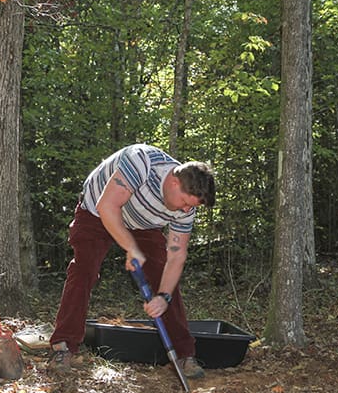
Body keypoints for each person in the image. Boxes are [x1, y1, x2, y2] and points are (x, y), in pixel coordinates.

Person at [48, 143, 215, 379]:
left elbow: (177, 255)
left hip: (143, 223)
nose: (186, 209)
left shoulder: (186, 207)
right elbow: (107, 206)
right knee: (84, 270)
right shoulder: (141, 163)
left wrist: (164, 296)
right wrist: (131, 248)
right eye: (185, 202)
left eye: (191, 206)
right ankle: (63, 347)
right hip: (98, 211)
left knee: (162, 274)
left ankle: (184, 354)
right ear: (175, 183)